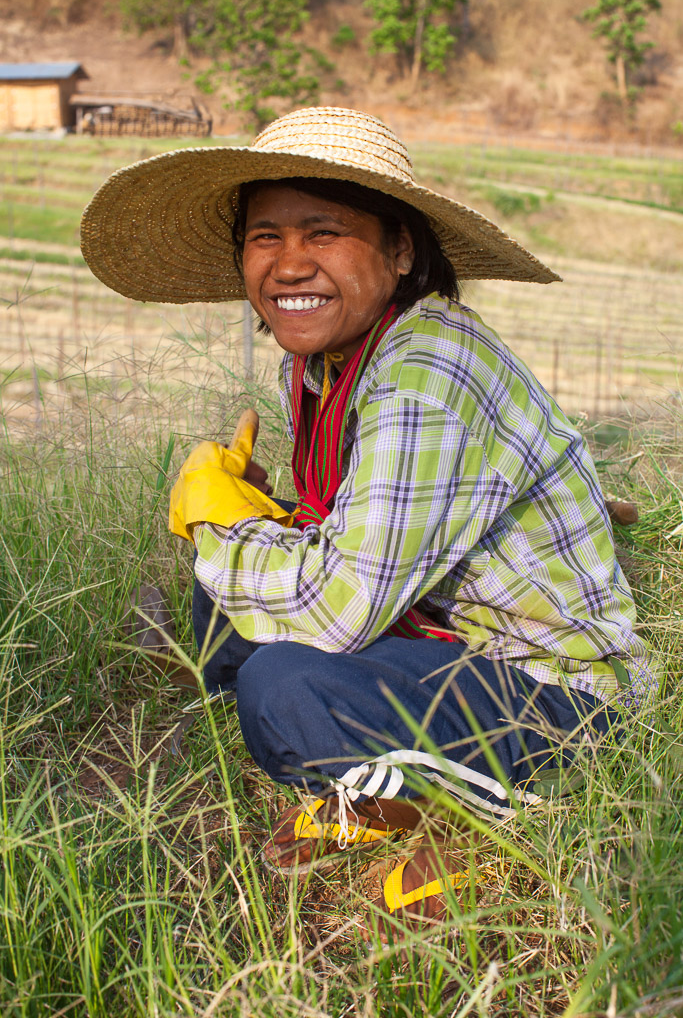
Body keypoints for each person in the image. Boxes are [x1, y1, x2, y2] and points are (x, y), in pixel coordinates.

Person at [81, 106, 656, 937]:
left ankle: (482, 807)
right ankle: (383, 776)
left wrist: (220, 527)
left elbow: (340, 609)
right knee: (232, 602)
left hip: (551, 689)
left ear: (400, 251)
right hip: (437, 636)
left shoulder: (426, 370)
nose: (288, 263)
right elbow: (352, 527)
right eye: (265, 237)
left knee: (282, 686)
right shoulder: (324, 361)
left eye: (323, 233)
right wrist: (257, 517)